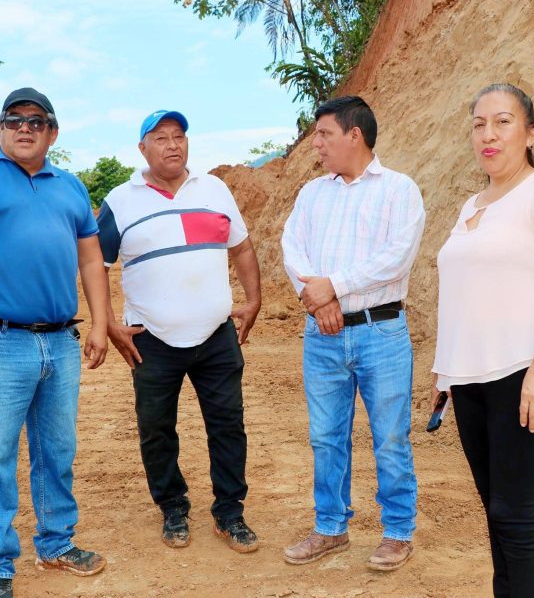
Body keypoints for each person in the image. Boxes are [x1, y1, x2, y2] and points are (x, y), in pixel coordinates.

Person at [97, 109, 261, 554]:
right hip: (152, 339)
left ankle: (230, 512)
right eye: (161, 137)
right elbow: (97, 265)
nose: (173, 144)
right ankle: (172, 506)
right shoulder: (120, 201)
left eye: (179, 136)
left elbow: (242, 247)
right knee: (156, 428)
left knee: (228, 425)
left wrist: (254, 299)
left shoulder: (214, 189)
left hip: (215, 335)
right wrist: (108, 323)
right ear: (142, 148)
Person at [281, 95, 425, 570]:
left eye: (323, 134)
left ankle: (398, 531)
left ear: (354, 135)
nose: (316, 144)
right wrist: (319, 299)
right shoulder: (312, 194)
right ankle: (330, 527)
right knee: (325, 435)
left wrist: (333, 288)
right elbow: (292, 249)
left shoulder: (399, 190)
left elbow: (396, 257)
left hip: (380, 332)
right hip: (321, 336)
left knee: (389, 437)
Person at [432, 83, 534, 598]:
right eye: (479, 123)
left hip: (521, 373)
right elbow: (465, 290)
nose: (489, 134)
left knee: (515, 511)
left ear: (529, 133)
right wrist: (444, 372)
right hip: (469, 379)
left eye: (503, 121)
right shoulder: (472, 203)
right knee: (496, 510)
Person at [0, 88, 108, 598]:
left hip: (62, 342)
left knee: (56, 450)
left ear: (52, 132)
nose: (24, 127)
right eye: (13, 119)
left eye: (35, 121)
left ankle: (57, 543)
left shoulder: (71, 188)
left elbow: (91, 260)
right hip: (5, 343)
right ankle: (1, 564)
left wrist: (102, 322)